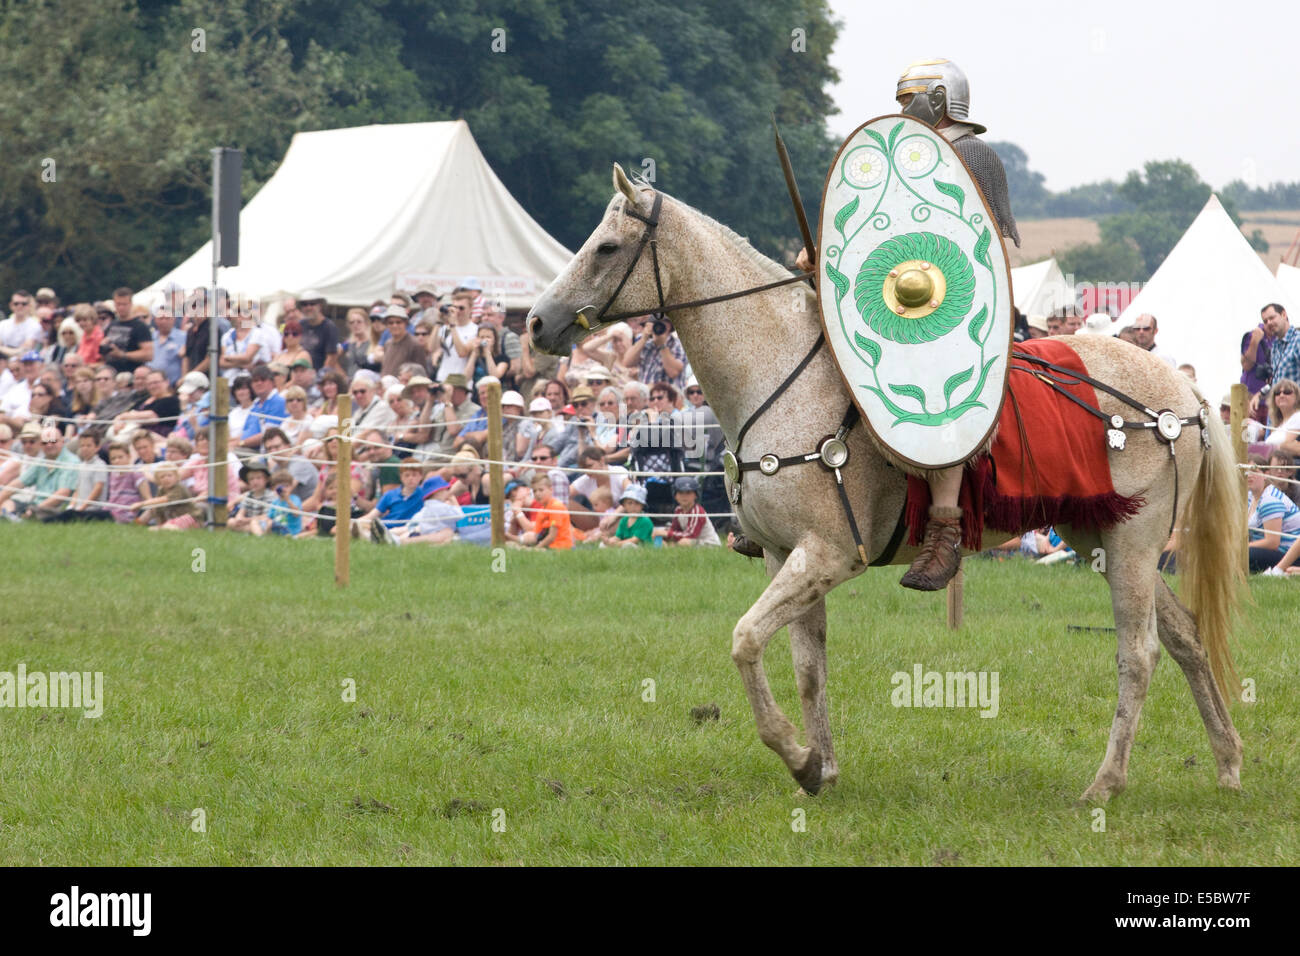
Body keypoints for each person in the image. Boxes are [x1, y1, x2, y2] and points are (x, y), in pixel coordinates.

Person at [791, 58, 1021, 591]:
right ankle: (792, 503)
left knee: (938, 386)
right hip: (897, 305)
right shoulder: (904, 162)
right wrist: (826, 256)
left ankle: (944, 526)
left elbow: (981, 246)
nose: (900, 111)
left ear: (939, 100)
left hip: (960, 311)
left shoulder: (970, 155)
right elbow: (878, 235)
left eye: (908, 99)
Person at [0, 425, 78, 518]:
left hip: (58, 510)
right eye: (45, 442)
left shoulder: (71, 461)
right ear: (41, 444)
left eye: (53, 441)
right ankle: (11, 517)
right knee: (7, 502)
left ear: (63, 441)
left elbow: (63, 494)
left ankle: (12, 517)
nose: (49, 445)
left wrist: (35, 510)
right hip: (34, 505)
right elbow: (18, 484)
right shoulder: (42, 461)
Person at [1245, 453, 1300, 572]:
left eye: (1254, 470)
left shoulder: (1269, 499)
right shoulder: (1250, 498)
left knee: (1245, 554)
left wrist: (1243, 547)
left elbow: (1272, 542)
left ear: (1266, 475)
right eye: (1246, 471)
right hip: (1276, 551)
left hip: (1289, 554)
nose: (1249, 475)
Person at [100, 287, 154, 374]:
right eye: (118, 304)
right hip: (112, 372)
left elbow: (148, 354)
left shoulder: (140, 326)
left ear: (131, 304)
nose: (121, 308)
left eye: (124, 304)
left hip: (130, 373)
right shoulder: (111, 325)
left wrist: (122, 354)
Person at [655, 475, 721, 546]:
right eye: (680, 493)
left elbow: (691, 534)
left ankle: (672, 547)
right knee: (660, 535)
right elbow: (674, 529)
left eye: (688, 493)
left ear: (695, 495)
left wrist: (667, 533)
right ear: (675, 496)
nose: (684, 496)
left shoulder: (697, 511)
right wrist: (663, 533)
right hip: (692, 539)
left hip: (708, 542)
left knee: (684, 542)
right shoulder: (678, 510)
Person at [399, 476, 463, 545]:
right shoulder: (442, 507)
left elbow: (418, 517)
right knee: (448, 532)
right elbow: (460, 515)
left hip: (425, 530)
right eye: (446, 489)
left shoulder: (428, 506)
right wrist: (454, 501)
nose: (448, 492)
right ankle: (407, 541)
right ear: (438, 492)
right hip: (437, 532)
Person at [521, 472, 573, 549]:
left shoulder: (556, 507)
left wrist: (536, 548)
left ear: (551, 490)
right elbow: (535, 534)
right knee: (518, 543)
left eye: (541, 490)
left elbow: (552, 536)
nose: (537, 494)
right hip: (547, 545)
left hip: (560, 546)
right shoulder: (541, 510)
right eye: (534, 491)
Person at [435, 292, 478, 382]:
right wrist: (438, 322)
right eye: (455, 307)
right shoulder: (445, 328)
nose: (457, 311)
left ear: (471, 309)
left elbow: (462, 352)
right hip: (442, 378)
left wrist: (453, 326)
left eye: (461, 308)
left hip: (461, 381)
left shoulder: (476, 330)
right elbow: (431, 348)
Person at [379, 305, 429, 377]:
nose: (394, 325)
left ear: (406, 323)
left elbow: (421, 373)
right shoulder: (388, 343)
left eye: (398, 322)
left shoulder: (415, 344)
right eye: (391, 323)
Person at [297, 291, 340, 370]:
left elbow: (331, 358)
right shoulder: (300, 324)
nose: (308, 307)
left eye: (312, 304)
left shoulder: (329, 327)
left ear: (320, 306)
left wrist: (320, 378)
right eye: (304, 304)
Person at [340, 307, 382, 377]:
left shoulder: (373, 342)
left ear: (366, 323)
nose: (355, 325)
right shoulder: (349, 343)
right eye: (352, 322)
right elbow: (333, 355)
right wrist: (343, 375)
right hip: (350, 381)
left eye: (359, 322)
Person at [609, 483, 654, 547]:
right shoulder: (624, 520)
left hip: (640, 549)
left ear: (642, 505)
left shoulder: (645, 521)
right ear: (624, 505)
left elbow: (635, 540)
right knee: (603, 545)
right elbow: (618, 537)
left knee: (628, 546)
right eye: (629, 503)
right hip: (623, 545)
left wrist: (617, 544)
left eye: (637, 503)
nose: (633, 506)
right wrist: (610, 541)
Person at [1264, 378, 1300, 456]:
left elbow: (1286, 445)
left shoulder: (1298, 417)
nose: (1282, 395)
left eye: (1287, 392)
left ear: (1297, 397)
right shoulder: (1278, 424)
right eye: (1277, 393)